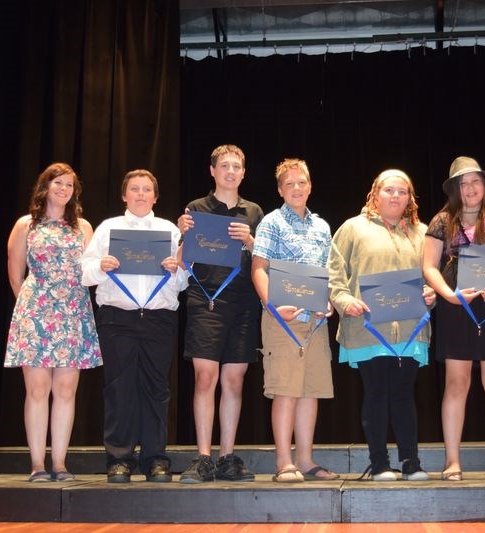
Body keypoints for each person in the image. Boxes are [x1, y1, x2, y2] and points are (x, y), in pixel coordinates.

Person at [82, 169, 189, 483]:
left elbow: (184, 280)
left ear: (155, 197)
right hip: (118, 318)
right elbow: (84, 271)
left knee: (157, 390)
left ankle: (156, 459)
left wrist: (176, 269)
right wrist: (100, 266)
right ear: (124, 195)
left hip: (158, 318)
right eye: (135, 189)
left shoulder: (169, 230)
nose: (141, 194)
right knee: (119, 389)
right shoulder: (108, 228)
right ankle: (119, 459)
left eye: (147, 190)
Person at [329, 169, 435, 481]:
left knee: (404, 393)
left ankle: (411, 462)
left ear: (409, 198)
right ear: (375, 194)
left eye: (402, 192)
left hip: (410, 328)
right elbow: (335, 272)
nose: (395, 196)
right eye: (389, 190)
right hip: (368, 326)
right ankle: (379, 464)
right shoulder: (352, 228)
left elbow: (432, 276)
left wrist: (432, 293)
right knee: (376, 392)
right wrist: (344, 299)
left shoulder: (422, 233)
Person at [422, 156, 485, 481]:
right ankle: (452, 461)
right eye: (463, 183)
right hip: (457, 306)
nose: (470, 188)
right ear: (454, 189)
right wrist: (448, 296)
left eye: (475, 181)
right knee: (456, 383)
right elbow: (428, 267)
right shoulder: (441, 221)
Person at [5, 162, 102, 483]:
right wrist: (32, 308)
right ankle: (37, 464)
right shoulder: (26, 225)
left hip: (74, 311)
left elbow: (91, 271)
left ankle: (59, 463)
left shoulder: (84, 227)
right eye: (58, 183)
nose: (63, 189)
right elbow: (16, 273)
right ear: (44, 187)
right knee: (37, 389)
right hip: (36, 312)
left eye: (69, 185)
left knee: (65, 390)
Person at [177, 144, 264, 483]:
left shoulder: (254, 212)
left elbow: (263, 261)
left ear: (244, 172)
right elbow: (183, 260)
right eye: (224, 165)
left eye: (236, 166)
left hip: (243, 304)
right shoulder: (196, 209)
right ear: (212, 171)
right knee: (205, 378)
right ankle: (203, 458)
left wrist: (251, 241)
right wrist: (182, 232)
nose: (230, 171)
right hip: (205, 300)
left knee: (234, 381)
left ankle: (227, 456)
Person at [251, 158, 338, 483]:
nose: (297, 188)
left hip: (315, 321)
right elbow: (258, 268)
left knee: (310, 390)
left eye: (302, 182)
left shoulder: (322, 226)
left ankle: (305, 459)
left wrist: (328, 299)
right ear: (280, 190)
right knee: (286, 390)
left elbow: (327, 272)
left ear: (310, 185)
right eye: (290, 184)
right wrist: (273, 305)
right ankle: (283, 461)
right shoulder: (271, 223)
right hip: (283, 319)